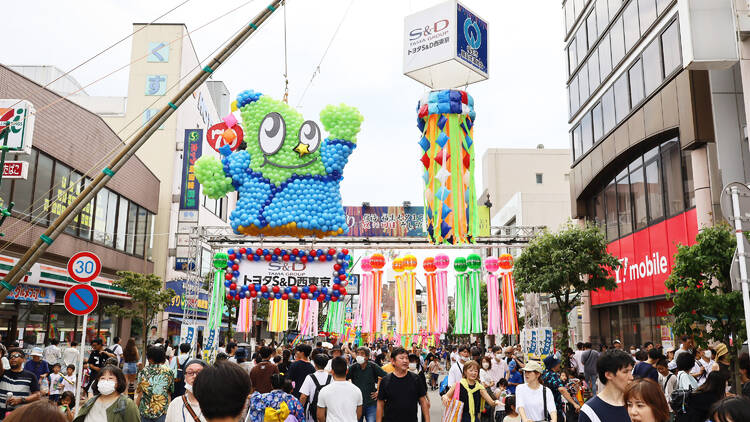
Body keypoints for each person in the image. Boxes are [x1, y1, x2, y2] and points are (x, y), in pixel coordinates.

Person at [579, 349, 634, 422]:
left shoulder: (636, 404)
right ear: (608, 375)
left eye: (631, 371)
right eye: (625, 372)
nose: (631, 377)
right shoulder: (590, 411)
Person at [376, 347, 430, 422]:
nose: (405, 361)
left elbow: (423, 401)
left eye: (406, 358)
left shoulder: (416, 379)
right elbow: (380, 403)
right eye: (401, 358)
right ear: (393, 361)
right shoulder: (385, 381)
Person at [72, 365, 140, 422]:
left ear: (119, 382)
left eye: (110, 378)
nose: (105, 381)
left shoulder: (127, 404)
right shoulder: (91, 401)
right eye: (102, 378)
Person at [317, 356, 363, 422]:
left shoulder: (324, 390)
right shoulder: (357, 390)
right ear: (347, 371)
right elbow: (359, 413)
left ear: (332, 371)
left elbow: (320, 416)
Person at [135, 345, 174, 422]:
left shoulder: (144, 371)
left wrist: (136, 409)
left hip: (145, 411)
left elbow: (140, 393)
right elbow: (169, 393)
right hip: (162, 411)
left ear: (149, 359)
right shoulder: (169, 372)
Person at [347, 346, 387, 422]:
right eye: (358, 354)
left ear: (367, 357)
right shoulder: (353, 367)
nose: (359, 356)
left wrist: (379, 391)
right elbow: (343, 379)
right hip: (357, 403)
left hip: (371, 403)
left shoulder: (372, 366)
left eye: (362, 354)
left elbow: (387, 377)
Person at [0, 348, 41, 418]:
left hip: (19, 415)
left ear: (23, 359)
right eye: (10, 357)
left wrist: (21, 400)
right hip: (1, 415)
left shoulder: (30, 376)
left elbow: (37, 395)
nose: (13, 358)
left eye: (16, 356)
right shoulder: (3, 373)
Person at [300, 353, 331, 421]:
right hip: (328, 411)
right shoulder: (331, 377)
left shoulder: (309, 377)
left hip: (313, 411)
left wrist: (300, 409)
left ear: (314, 364)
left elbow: (303, 397)